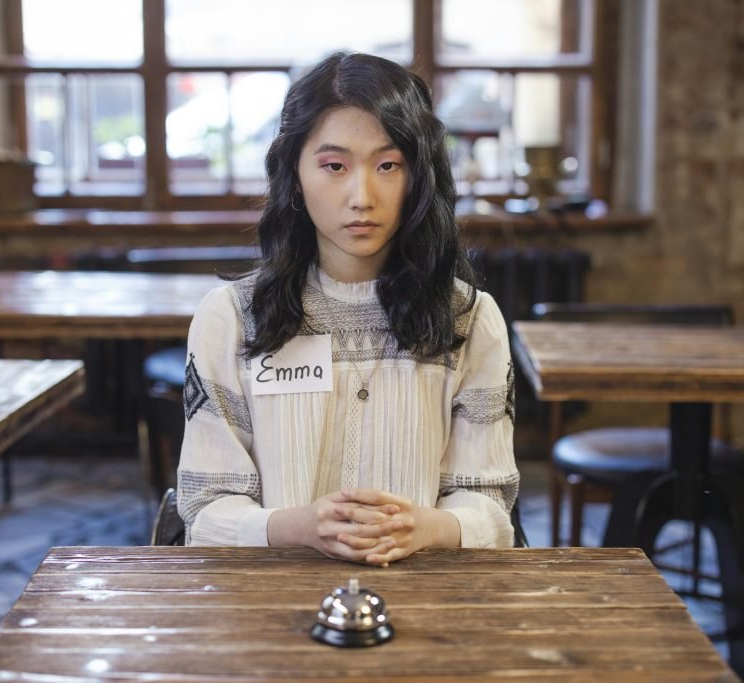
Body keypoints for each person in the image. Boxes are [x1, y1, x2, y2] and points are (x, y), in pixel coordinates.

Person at [177, 51, 519, 566]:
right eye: (334, 166)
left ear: (420, 175)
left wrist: (422, 526)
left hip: (427, 592)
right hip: (269, 592)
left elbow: (491, 506)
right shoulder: (231, 318)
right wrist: (302, 527)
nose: (362, 196)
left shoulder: (469, 318)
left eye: (388, 166)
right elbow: (204, 512)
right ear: (294, 173)